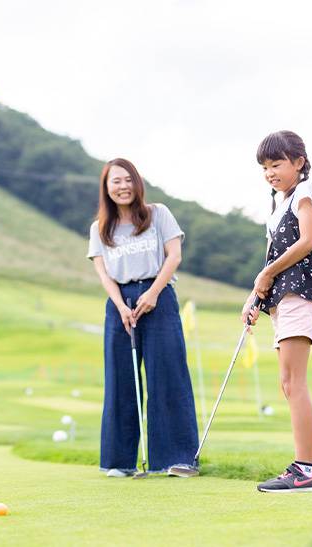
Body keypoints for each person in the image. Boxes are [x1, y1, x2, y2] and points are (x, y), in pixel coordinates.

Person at [88, 158, 199, 477]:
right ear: (106, 188)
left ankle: (177, 458)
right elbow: (103, 272)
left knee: (168, 376)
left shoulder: (158, 214)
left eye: (127, 180)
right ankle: (120, 461)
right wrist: (121, 306)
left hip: (159, 297)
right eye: (115, 181)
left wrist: (152, 294)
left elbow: (174, 256)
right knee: (121, 381)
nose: (122, 187)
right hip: (119, 304)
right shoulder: (99, 228)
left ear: (137, 183)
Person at [243, 131, 312, 492]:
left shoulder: (304, 191)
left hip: (300, 291)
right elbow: (270, 260)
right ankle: (303, 466)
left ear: (298, 162)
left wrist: (265, 275)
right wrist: (255, 295)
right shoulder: (277, 203)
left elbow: (307, 241)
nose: (270, 172)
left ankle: (307, 469)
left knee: (294, 382)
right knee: (287, 383)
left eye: (277, 164)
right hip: (282, 296)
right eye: (265, 167)